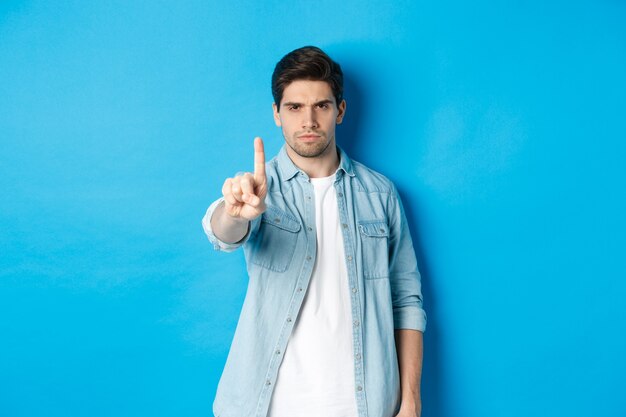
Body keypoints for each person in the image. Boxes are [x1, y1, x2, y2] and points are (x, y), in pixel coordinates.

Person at [202, 46, 426, 417]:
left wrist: (411, 402)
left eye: (320, 106)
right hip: (269, 405)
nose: (308, 120)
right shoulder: (257, 189)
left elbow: (406, 301)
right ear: (277, 114)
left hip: (365, 403)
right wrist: (233, 211)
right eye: (294, 107)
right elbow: (223, 233)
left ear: (339, 111)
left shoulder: (380, 194)